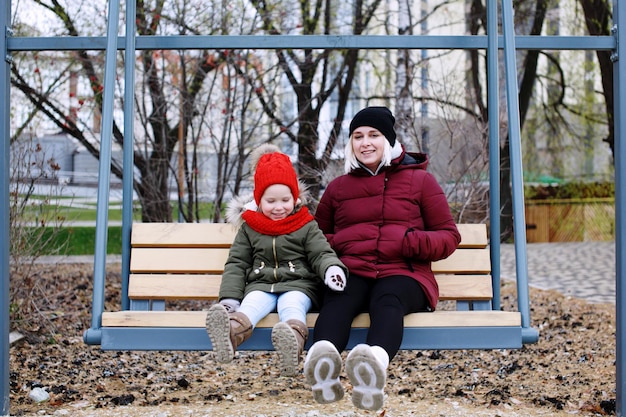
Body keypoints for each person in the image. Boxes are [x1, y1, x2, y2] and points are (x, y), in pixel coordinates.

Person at [303, 106, 462, 410]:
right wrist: (344, 243)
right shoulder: (338, 189)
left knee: (388, 300)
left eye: (373, 135)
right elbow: (316, 240)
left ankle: (372, 366)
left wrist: (409, 241)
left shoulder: (420, 182)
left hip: (405, 272)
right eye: (358, 136)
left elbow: (448, 235)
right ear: (351, 143)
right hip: (354, 270)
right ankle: (321, 361)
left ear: (388, 140)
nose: (365, 143)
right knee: (340, 298)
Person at [205, 144, 348, 377]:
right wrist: (230, 299)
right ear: (258, 200)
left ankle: (291, 341)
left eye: (285, 200)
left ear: (295, 198)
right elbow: (237, 263)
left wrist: (331, 269)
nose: (279, 207)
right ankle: (229, 333)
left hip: (298, 285)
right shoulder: (250, 227)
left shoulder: (305, 224)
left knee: (291, 305)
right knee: (250, 305)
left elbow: (320, 253)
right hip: (261, 284)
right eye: (271, 201)